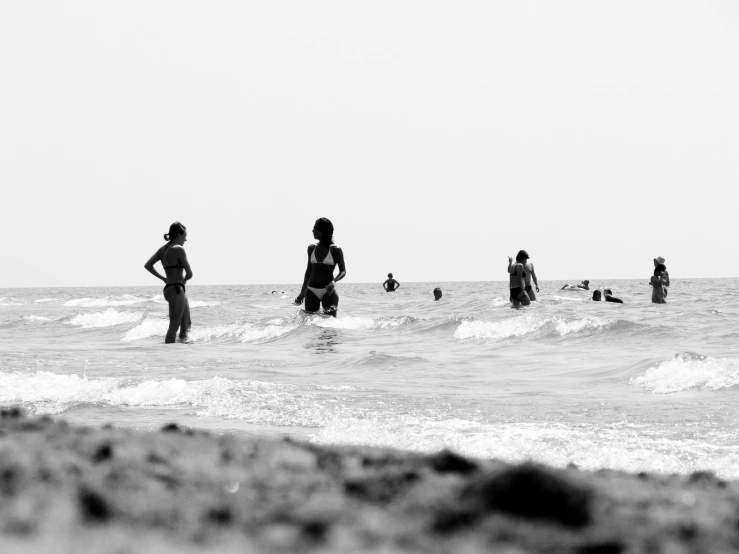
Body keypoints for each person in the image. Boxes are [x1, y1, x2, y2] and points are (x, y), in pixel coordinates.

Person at [144, 222, 192, 343]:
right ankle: (168, 356)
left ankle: (181, 351)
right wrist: (185, 280)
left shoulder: (163, 249)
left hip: (170, 288)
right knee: (174, 326)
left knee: (186, 323)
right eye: (185, 235)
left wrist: (163, 279)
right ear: (178, 235)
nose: (186, 239)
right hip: (177, 289)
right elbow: (190, 273)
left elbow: (148, 265)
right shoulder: (179, 249)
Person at [294, 218, 346, 317]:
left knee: (330, 326)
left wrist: (333, 282)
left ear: (323, 231)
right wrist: (302, 293)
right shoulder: (311, 248)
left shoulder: (336, 250)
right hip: (311, 291)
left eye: (315, 228)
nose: (312, 231)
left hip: (328, 292)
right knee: (310, 325)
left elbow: (343, 271)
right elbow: (308, 271)